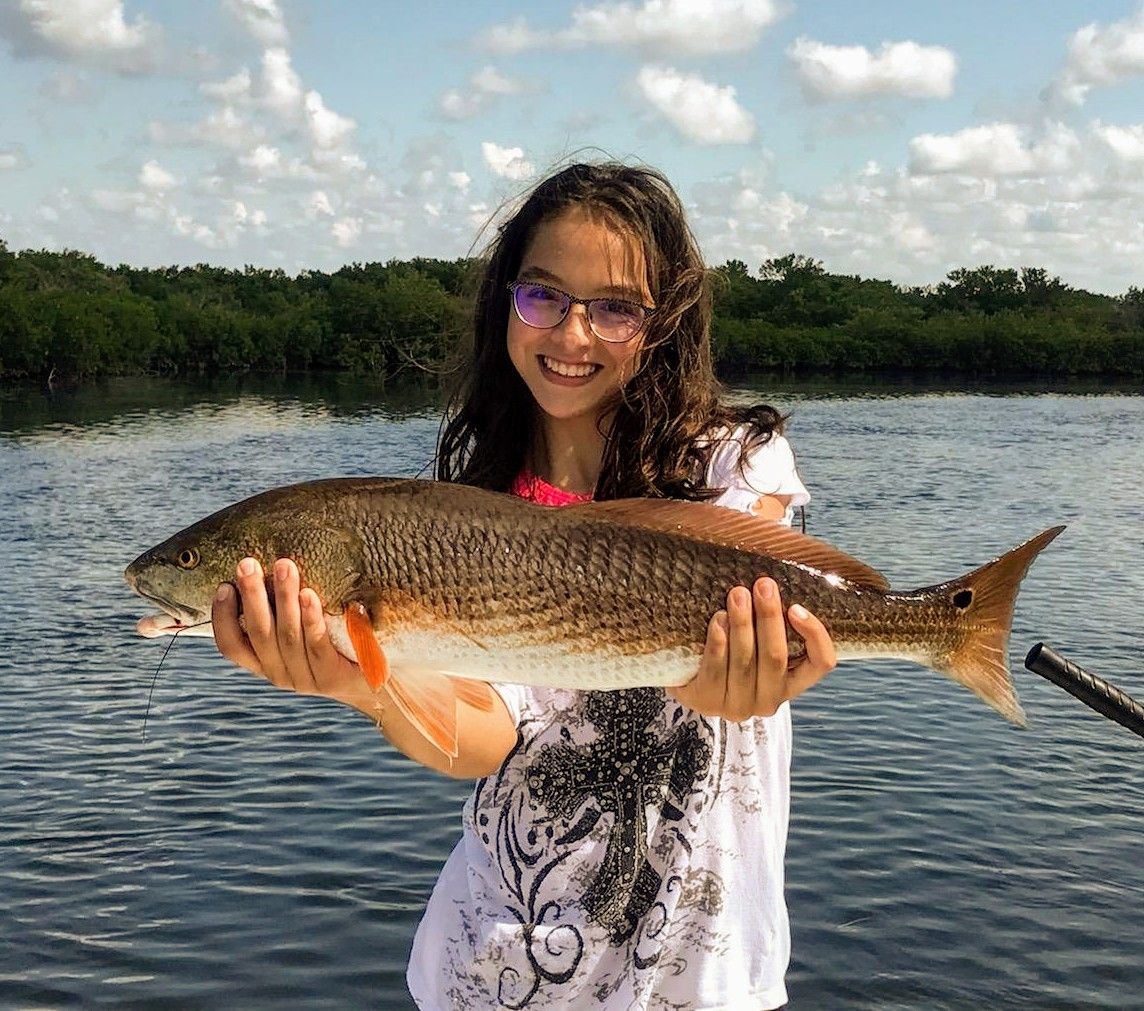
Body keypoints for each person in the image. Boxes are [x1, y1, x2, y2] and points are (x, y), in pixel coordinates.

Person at [211, 162, 837, 1010]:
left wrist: (757, 672)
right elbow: (480, 736)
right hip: (488, 975)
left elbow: (766, 581)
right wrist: (362, 684)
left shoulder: (733, 462)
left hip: (701, 981)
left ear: (663, 324)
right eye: (542, 296)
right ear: (506, 302)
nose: (572, 334)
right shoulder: (470, 515)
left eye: (614, 306)